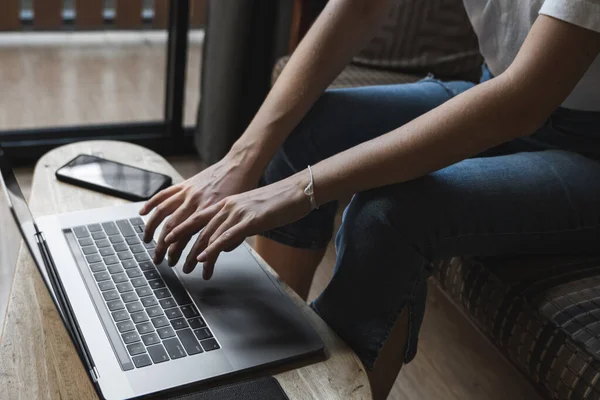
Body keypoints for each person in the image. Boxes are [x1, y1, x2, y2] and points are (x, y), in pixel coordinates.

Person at [140, 0, 600, 398]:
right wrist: (241, 158)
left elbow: (523, 103)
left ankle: (320, 394)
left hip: (579, 143)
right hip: (495, 88)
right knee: (303, 131)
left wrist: (301, 188)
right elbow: (359, 7)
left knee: (389, 216)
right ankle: (260, 366)